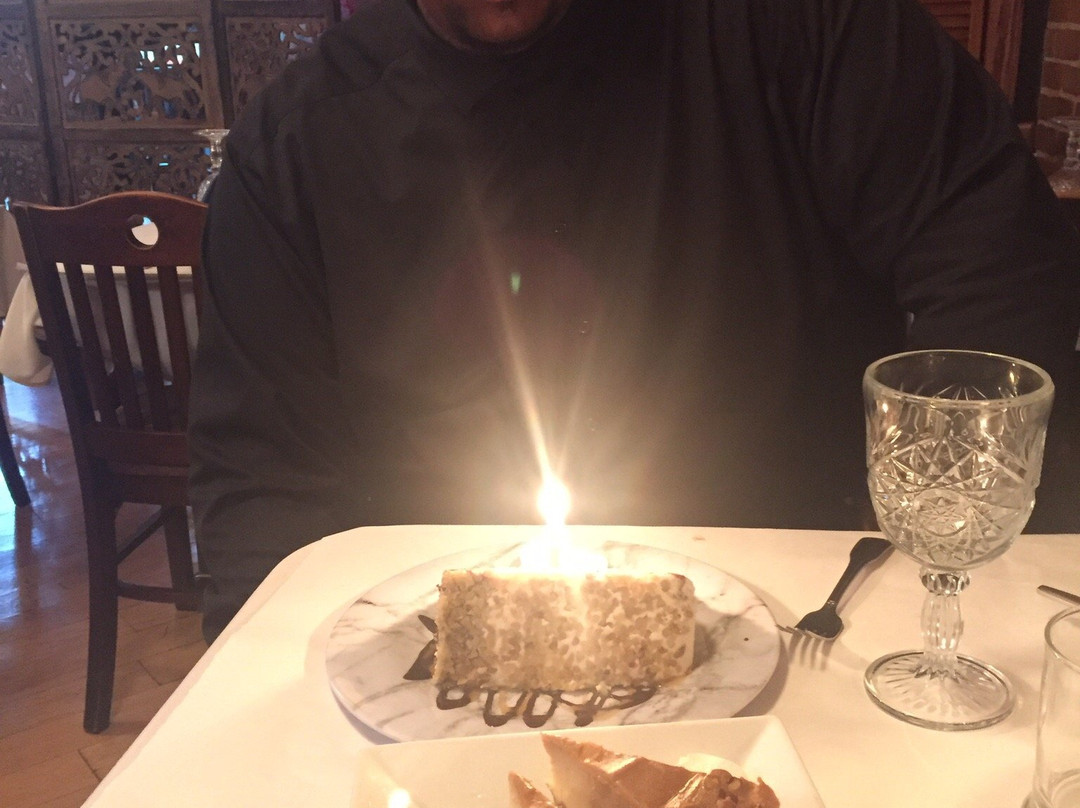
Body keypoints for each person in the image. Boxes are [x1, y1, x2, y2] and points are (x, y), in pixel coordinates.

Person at [189, 0, 1080, 641]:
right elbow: (262, 489)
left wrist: (939, 575)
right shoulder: (292, 146)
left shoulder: (806, 27)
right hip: (438, 658)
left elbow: (997, 272)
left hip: (816, 620)